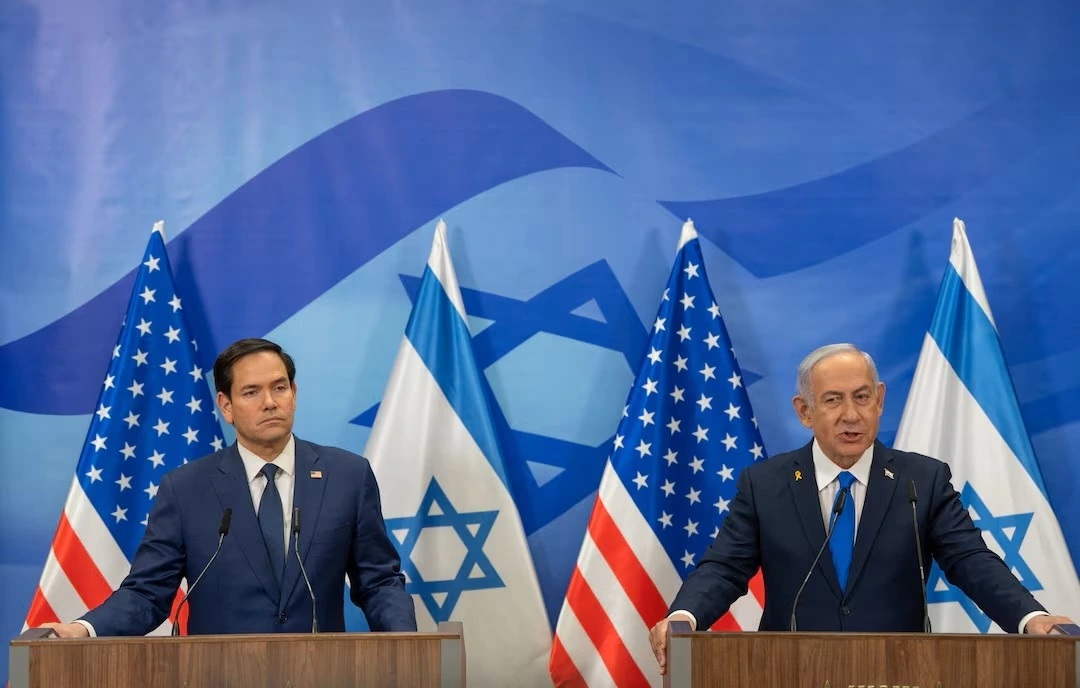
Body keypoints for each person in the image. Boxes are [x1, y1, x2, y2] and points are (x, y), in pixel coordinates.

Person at [649, 343, 1072, 673]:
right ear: (804, 411)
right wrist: (685, 616)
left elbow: (970, 560)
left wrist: (1030, 617)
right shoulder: (765, 484)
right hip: (788, 671)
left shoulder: (921, 480)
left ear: (879, 400)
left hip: (899, 671)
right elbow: (725, 567)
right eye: (833, 400)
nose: (851, 415)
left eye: (862, 397)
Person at [42, 337, 416, 636]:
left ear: (294, 393)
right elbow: (148, 592)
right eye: (251, 392)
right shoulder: (185, 489)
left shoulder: (347, 476)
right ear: (226, 405)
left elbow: (378, 582)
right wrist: (84, 629)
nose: (269, 403)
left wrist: (409, 645)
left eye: (279, 388)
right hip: (219, 674)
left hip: (321, 673)